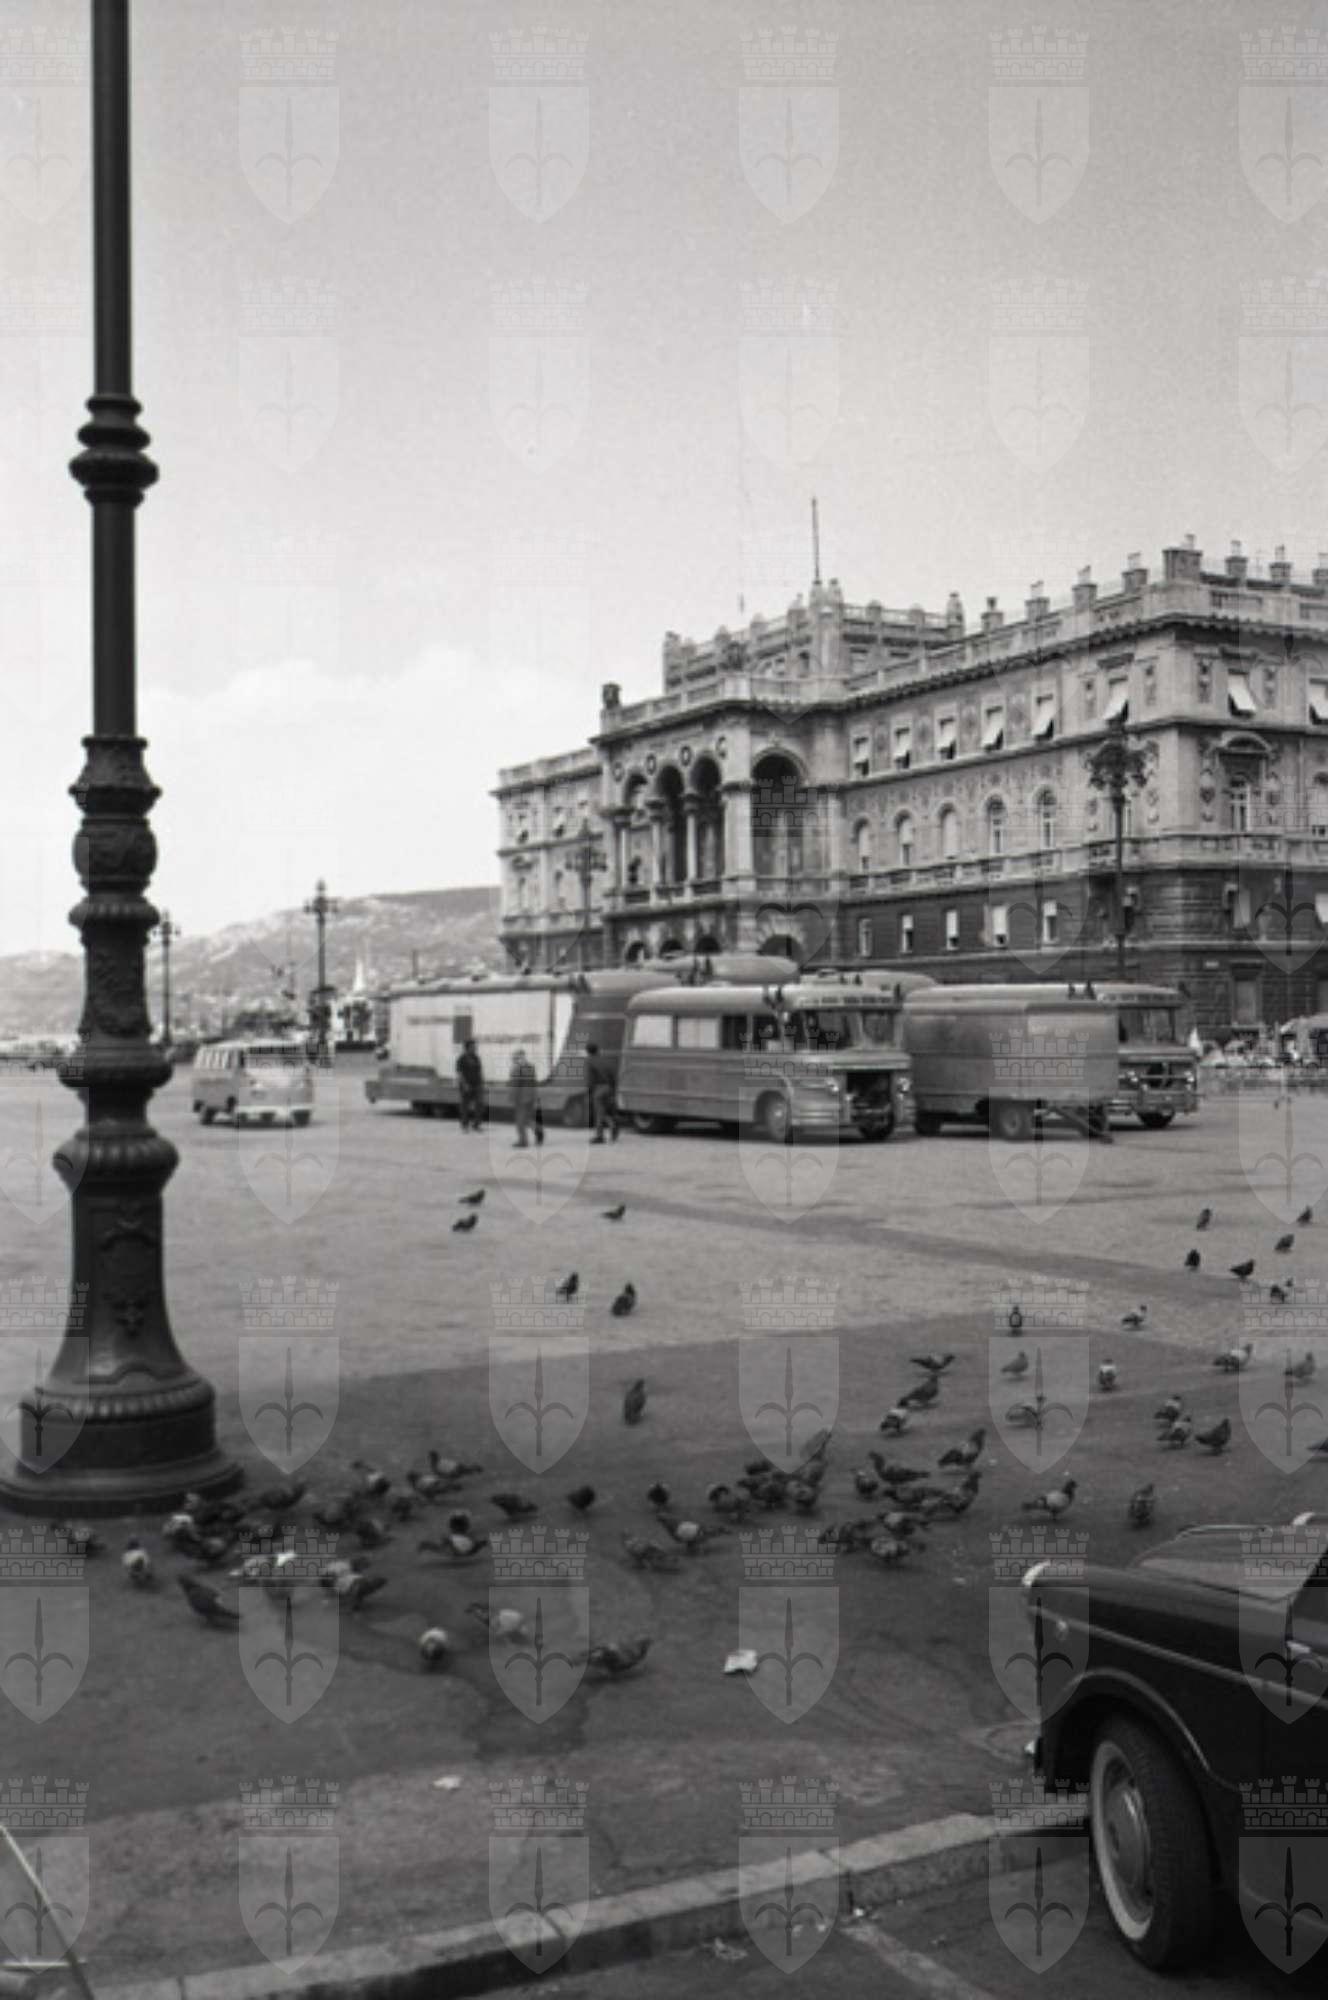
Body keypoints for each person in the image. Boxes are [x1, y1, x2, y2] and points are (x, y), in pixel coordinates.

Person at [586, 1041, 618, 1143]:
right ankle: (612, 1125)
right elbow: (612, 1075)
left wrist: (589, 1090)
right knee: (605, 1111)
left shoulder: (590, 1061)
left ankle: (600, 1136)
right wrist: (613, 1089)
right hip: (608, 1087)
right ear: (597, 1050)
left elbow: (590, 1078)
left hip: (598, 1089)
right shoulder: (604, 1060)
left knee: (599, 1113)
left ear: (588, 1051)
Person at [510, 1048, 539, 1148]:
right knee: (528, 1118)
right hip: (530, 1096)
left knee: (520, 1121)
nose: (513, 1060)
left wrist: (513, 1098)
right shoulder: (531, 1067)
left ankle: (523, 1141)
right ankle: (538, 1131)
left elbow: (515, 1085)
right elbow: (534, 1083)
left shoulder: (517, 1069)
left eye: (514, 1058)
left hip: (521, 1098)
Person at [456, 1038, 485, 1132]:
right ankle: (465, 1125)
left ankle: (476, 1124)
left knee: (479, 1104)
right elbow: (460, 1073)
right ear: (467, 1048)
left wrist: (481, 1083)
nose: (475, 1048)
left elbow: (479, 1071)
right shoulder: (461, 1059)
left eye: (475, 1047)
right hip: (466, 1085)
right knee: (465, 1106)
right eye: (473, 1047)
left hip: (477, 1084)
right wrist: (464, 1084)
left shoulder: (476, 1058)